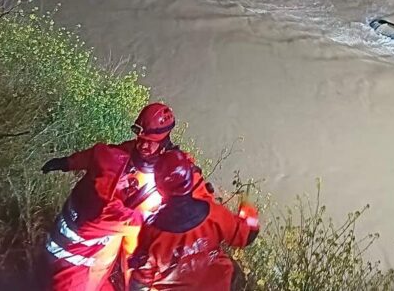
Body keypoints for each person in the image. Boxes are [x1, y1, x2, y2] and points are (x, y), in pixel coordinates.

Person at [42, 103, 213, 291]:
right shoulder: (127, 152)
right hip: (118, 228)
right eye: (140, 138)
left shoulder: (178, 168)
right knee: (107, 270)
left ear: (164, 139)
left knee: (137, 275)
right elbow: (98, 156)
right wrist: (69, 162)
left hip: (139, 235)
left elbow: (200, 200)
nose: (143, 145)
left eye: (150, 141)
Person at [128, 150, 260, 291]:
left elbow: (141, 279)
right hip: (221, 285)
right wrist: (248, 208)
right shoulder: (213, 213)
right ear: (190, 179)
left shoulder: (152, 230)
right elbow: (247, 235)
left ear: (160, 187)